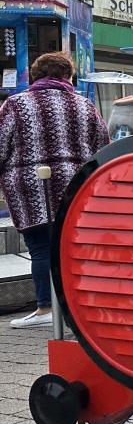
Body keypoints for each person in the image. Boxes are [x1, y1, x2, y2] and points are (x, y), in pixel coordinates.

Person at [0, 52, 110, 328]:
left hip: (28, 185)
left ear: (36, 75)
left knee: (39, 247)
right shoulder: (85, 106)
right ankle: (78, 306)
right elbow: (103, 146)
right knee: (71, 245)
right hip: (75, 184)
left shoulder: (15, 105)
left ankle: (45, 309)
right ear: (67, 76)